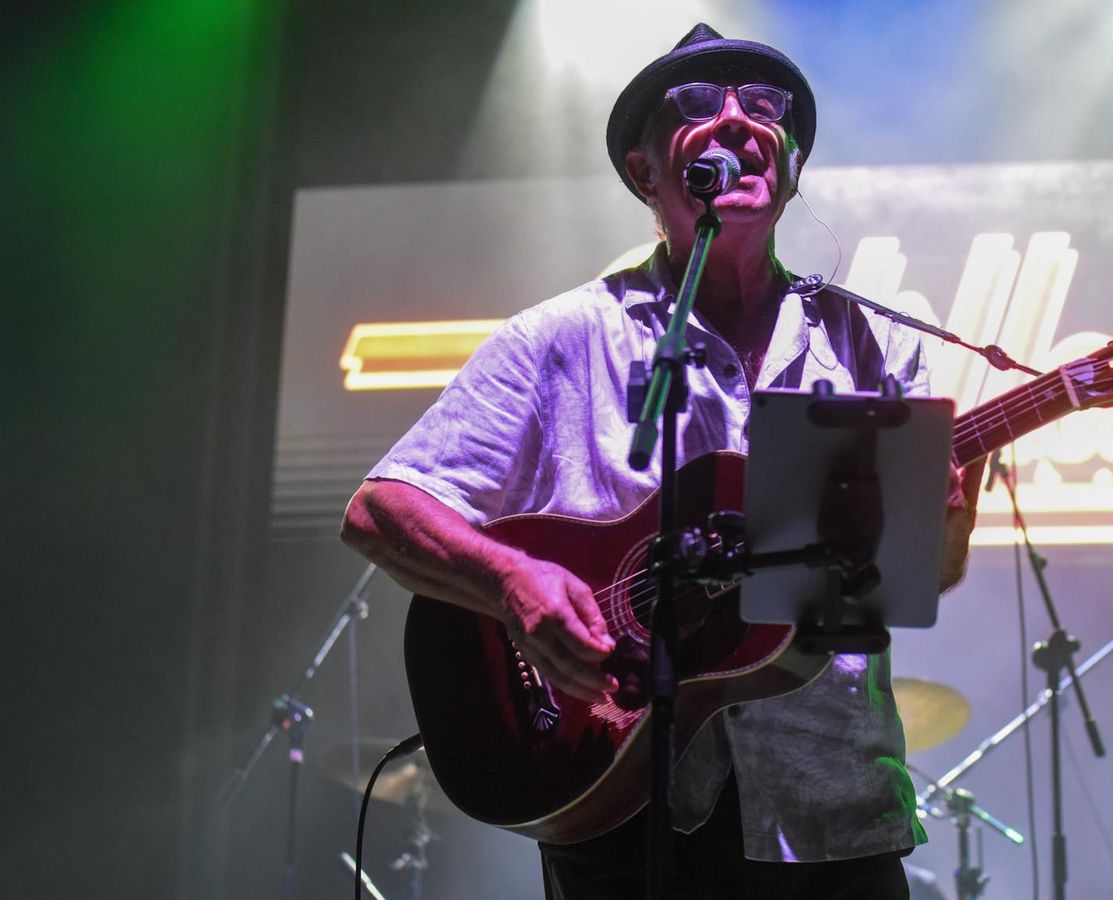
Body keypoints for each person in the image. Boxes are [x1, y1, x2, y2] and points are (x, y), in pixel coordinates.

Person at [341, 23, 984, 899]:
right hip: (618, 802)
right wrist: (513, 588)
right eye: (694, 107)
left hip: (830, 818)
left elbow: (923, 578)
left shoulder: (875, 348)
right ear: (646, 172)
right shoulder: (562, 341)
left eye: (764, 108)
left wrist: (947, 520)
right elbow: (381, 510)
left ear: (790, 167)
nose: (736, 121)